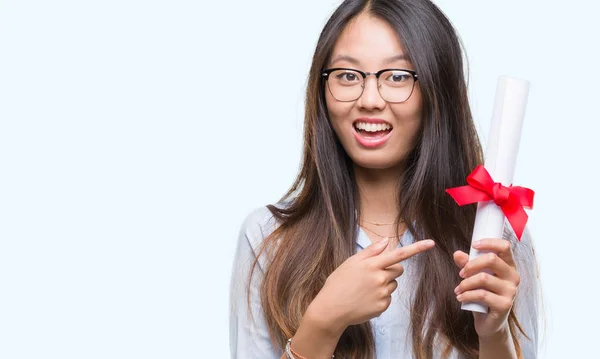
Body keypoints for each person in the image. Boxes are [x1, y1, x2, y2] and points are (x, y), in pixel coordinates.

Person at [229, 0, 540, 358]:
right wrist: (323, 321)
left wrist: (494, 334)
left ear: (437, 91)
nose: (370, 99)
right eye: (348, 76)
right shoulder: (269, 240)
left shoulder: (494, 244)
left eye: (397, 76)